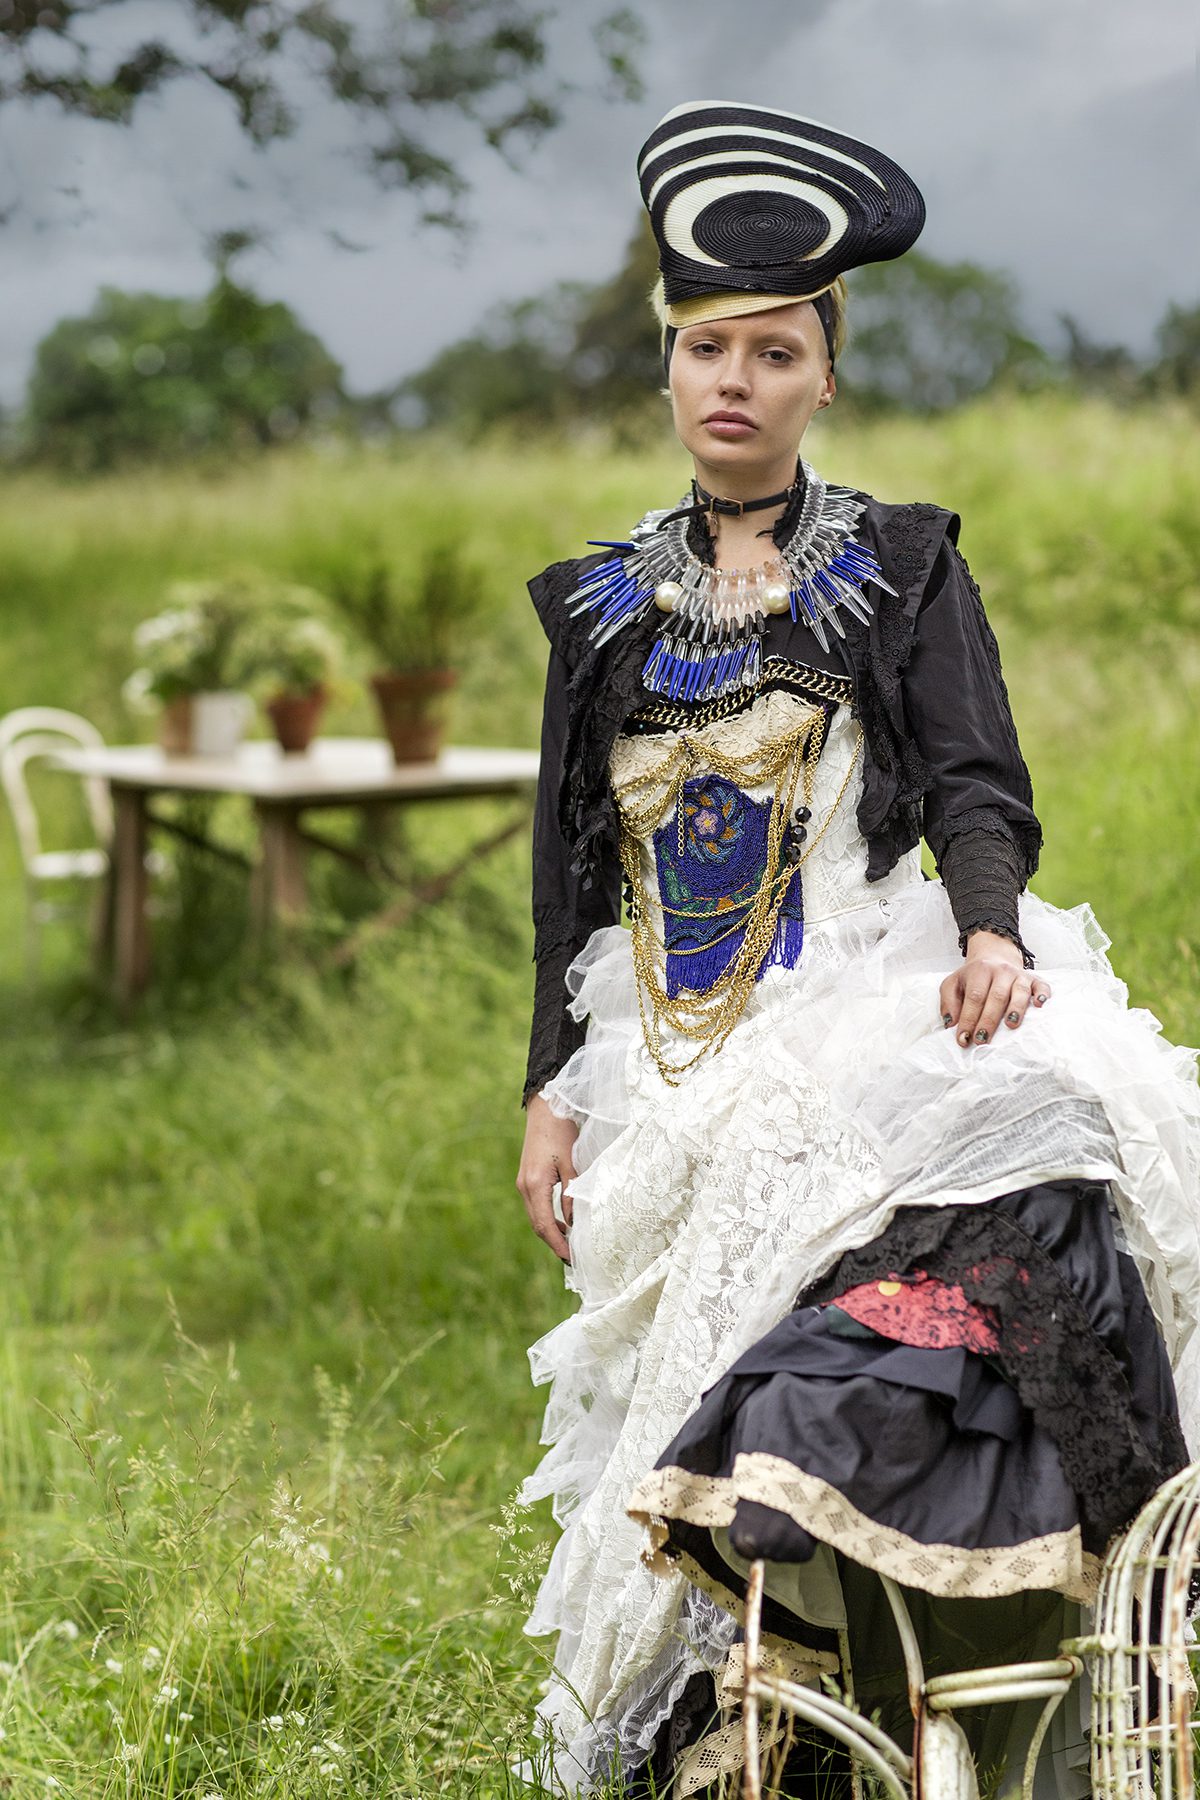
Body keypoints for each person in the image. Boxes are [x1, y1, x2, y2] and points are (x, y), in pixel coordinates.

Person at [514, 101, 1200, 1798]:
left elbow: (978, 783)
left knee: (1037, 1124)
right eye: (702, 349)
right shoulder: (599, 608)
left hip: (850, 994)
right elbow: (570, 878)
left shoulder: (898, 569)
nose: (731, 380)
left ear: (826, 375)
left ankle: (995, 1652)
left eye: (771, 350)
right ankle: (740, 1713)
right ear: (666, 372)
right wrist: (548, 1095)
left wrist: (985, 933)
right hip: (660, 1047)